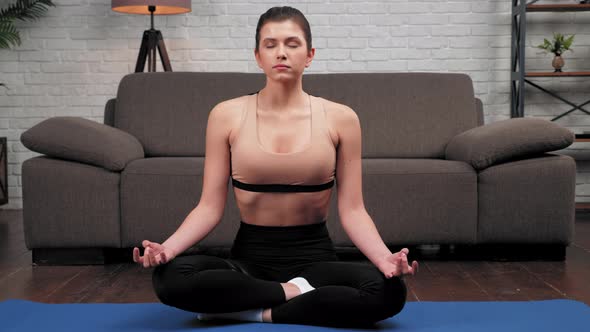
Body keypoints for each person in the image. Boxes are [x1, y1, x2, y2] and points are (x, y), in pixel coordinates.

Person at [132, 6, 418, 328]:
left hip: (317, 262)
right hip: (250, 261)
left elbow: (352, 210)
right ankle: (294, 295)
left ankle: (253, 311)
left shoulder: (342, 118)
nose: (281, 52)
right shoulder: (226, 115)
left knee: (390, 291)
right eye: (270, 44)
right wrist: (166, 250)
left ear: (309, 55)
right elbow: (209, 207)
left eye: (292, 44)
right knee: (169, 278)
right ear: (258, 56)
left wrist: (385, 259)